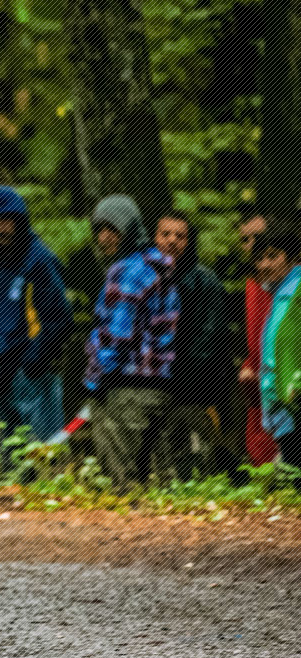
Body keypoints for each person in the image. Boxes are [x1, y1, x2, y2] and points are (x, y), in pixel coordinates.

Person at [83, 195, 179, 486]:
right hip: (159, 390)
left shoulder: (127, 271)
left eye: (113, 229)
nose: (104, 237)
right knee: (158, 485)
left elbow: (116, 337)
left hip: (125, 391)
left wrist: (94, 380)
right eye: (99, 230)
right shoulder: (160, 268)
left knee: (123, 485)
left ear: (130, 229)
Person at [0, 186, 71, 440]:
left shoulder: (38, 260)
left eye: (8, 220)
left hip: (33, 377)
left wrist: (34, 362)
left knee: (42, 453)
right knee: (4, 455)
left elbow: (59, 318)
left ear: (19, 221)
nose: (2, 228)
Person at [154, 212, 227, 477]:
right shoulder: (145, 279)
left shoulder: (205, 281)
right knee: (161, 457)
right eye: (165, 234)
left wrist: (185, 375)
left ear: (189, 241)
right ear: (155, 238)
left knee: (198, 457)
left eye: (180, 236)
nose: (172, 241)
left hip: (195, 389)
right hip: (154, 388)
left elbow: (211, 336)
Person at [237, 213, 280, 465]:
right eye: (245, 239)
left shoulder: (286, 282)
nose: (251, 244)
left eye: (258, 237)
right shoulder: (253, 283)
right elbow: (255, 337)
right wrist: (249, 365)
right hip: (258, 382)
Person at [258, 224, 301, 462]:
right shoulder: (281, 294)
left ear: (292, 256)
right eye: (260, 258)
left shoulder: (296, 292)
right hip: (284, 412)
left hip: (294, 408)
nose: (264, 265)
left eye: (272, 256)